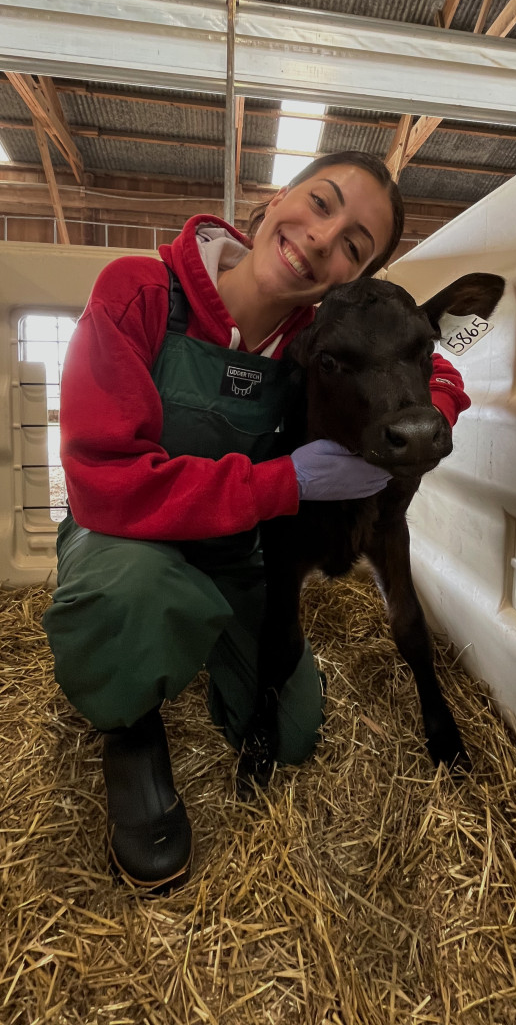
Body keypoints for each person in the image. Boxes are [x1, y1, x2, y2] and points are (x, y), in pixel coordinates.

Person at [41, 151, 471, 891]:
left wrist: (433, 411)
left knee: (295, 733)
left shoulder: (320, 339)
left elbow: (433, 362)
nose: (323, 238)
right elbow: (102, 484)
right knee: (132, 592)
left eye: (354, 246)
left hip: (235, 552)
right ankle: (132, 731)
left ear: (353, 279)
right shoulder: (141, 292)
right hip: (129, 540)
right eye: (322, 202)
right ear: (276, 199)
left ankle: (198, 640)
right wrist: (285, 481)